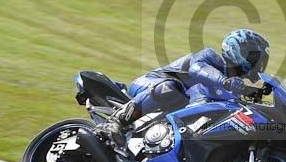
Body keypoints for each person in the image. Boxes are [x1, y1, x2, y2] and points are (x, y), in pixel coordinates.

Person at [97, 29, 270, 151]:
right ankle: (116, 122)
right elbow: (197, 69)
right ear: (238, 49)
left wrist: (252, 93)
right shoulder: (210, 57)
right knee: (172, 88)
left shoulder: (233, 86)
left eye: (260, 59)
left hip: (170, 115)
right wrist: (225, 82)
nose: (257, 63)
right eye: (254, 57)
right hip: (150, 85)